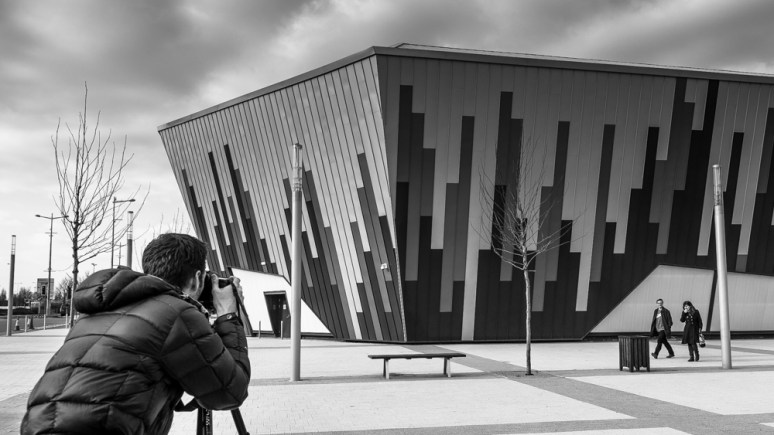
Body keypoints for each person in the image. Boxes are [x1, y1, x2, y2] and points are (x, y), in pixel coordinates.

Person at [21, 233, 250, 434]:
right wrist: (228, 314)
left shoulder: (97, 312)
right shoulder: (178, 314)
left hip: (38, 424)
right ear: (198, 278)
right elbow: (230, 392)